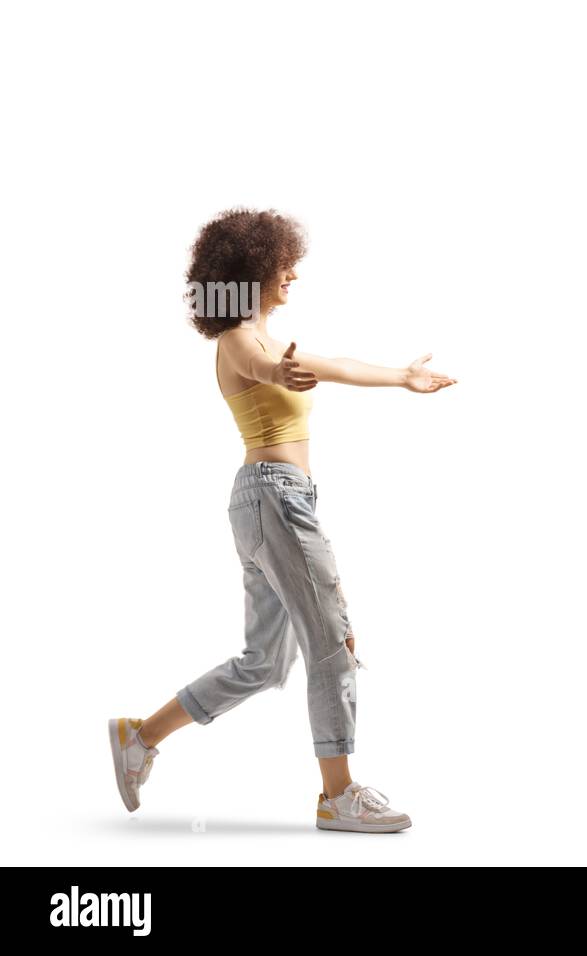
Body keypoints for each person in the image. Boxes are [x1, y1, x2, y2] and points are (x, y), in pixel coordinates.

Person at [109, 207, 456, 833]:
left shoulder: (264, 339)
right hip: (276, 497)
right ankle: (338, 794)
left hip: (269, 501)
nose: (292, 272)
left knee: (265, 663)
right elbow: (269, 369)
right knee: (334, 642)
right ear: (250, 271)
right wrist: (280, 372)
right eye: (279, 265)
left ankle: (141, 736)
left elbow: (337, 366)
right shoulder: (241, 340)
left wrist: (404, 377)